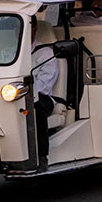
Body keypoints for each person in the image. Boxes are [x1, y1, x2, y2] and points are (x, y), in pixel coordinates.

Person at [27, 14, 61, 168]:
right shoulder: (7, 52)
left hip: (40, 96)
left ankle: (42, 156)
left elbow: (44, 84)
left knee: (35, 108)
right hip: (10, 95)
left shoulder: (45, 52)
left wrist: (24, 94)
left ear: (34, 28)